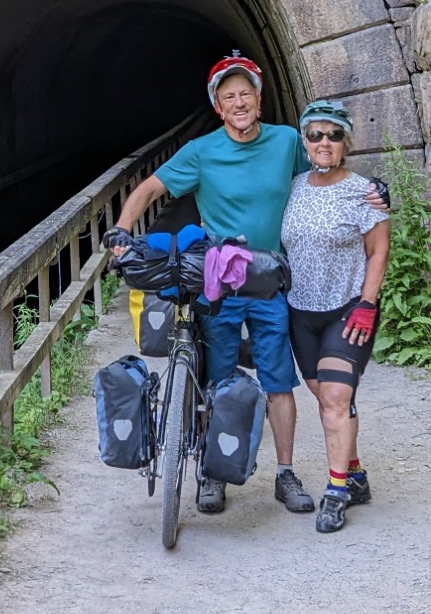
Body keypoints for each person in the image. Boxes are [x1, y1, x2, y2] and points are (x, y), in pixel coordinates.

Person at [109, 53, 324, 517]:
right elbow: (149, 190)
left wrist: (365, 194)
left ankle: (286, 473)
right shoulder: (202, 151)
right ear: (218, 107)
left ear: (259, 101)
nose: (239, 102)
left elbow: (321, 172)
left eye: (246, 94)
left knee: (278, 380)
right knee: (216, 378)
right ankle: (213, 474)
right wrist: (123, 233)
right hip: (219, 280)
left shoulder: (286, 141)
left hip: (270, 279)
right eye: (229, 97)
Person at [282, 98, 390, 535]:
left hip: (347, 310)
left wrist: (368, 303)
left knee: (334, 399)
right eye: (315, 134)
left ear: (346, 142)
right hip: (300, 310)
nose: (324, 142)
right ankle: (356, 472)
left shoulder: (365, 193)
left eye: (334, 135)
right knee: (326, 396)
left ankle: (337, 491)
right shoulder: (294, 187)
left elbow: (378, 251)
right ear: (305, 141)